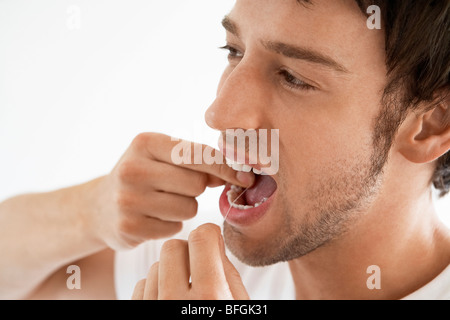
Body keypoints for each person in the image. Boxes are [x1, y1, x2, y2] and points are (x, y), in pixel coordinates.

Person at [0, 0, 449, 300]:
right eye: (234, 51)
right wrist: (92, 210)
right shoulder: (198, 272)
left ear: (431, 125)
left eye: (294, 77)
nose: (220, 112)